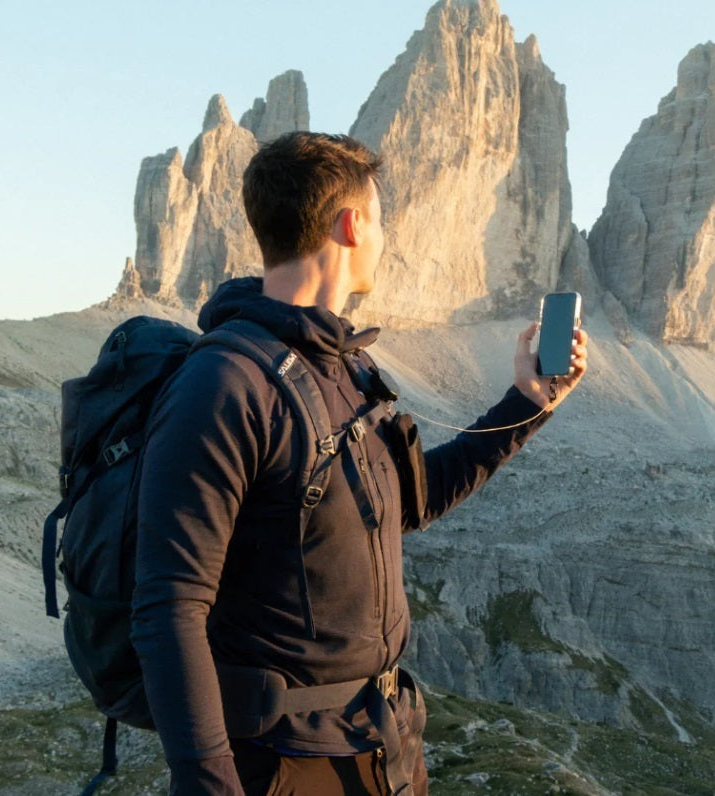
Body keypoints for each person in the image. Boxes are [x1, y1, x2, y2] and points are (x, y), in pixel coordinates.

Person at [130, 131, 588, 796]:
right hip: (284, 762)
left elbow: (413, 502)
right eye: (380, 220)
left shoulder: (349, 365)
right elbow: (169, 605)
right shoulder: (224, 381)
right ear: (351, 225)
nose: (385, 238)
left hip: (384, 747)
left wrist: (528, 401)